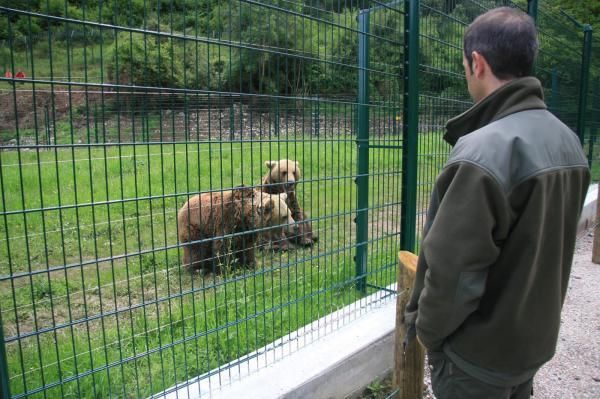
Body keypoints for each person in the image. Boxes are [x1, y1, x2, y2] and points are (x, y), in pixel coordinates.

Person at [404, 7, 590, 399]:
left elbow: (453, 272)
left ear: (477, 62)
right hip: (529, 346)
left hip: (477, 360)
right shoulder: (568, 142)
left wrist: (430, 337)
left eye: (465, 65)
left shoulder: (482, 153)